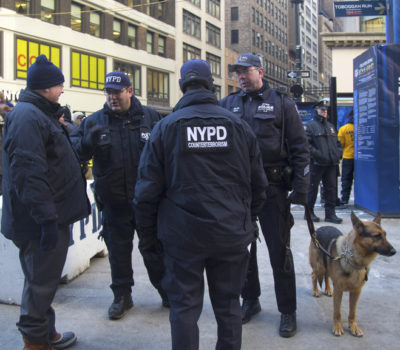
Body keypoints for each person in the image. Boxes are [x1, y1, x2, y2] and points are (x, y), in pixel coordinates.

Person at [134, 59, 268, 350]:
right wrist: (246, 220)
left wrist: (148, 237)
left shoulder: (165, 127)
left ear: (182, 86)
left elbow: (146, 192)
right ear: (211, 85)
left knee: (183, 308)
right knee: (229, 305)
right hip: (230, 233)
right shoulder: (239, 127)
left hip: (182, 238)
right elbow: (259, 185)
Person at [1, 55, 90, 350]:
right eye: (59, 84)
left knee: (42, 280)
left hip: (45, 217)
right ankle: (34, 342)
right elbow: (29, 175)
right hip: (39, 222)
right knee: (40, 283)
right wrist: (47, 220)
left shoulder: (39, 113)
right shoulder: (28, 117)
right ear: (46, 87)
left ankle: (44, 333)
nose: (62, 88)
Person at [219, 53, 310, 337]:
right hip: (238, 189)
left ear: (260, 71)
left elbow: (300, 149)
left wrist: (302, 189)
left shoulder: (283, 103)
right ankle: (251, 300)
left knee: (278, 251)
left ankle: (287, 311)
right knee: (242, 250)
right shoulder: (227, 104)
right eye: (237, 73)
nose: (241, 77)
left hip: (273, 188)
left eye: (246, 72)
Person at [70, 71, 166, 320]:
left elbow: (166, 155)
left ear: (130, 91)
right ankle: (122, 296)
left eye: (118, 92)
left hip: (146, 202)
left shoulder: (150, 117)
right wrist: (86, 144)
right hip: (114, 202)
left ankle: (167, 291)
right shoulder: (94, 122)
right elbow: (73, 155)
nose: (113, 97)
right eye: (109, 92)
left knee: (154, 250)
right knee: (118, 252)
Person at [304, 100, 343, 223]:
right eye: (322, 110)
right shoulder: (310, 126)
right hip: (317, 163)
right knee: (312, 188)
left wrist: (338, 153)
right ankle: (309, 212)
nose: (324, 112)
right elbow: (306, 144)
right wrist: (318, 155)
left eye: (325, 110)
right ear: (316, 111)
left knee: (331, 189)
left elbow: (337, 143)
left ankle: (330, 214)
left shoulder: (331, 126)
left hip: (331, 163)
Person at [337, 109, 354, 205]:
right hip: (361, 158)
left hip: (347, 157)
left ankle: (344, 198)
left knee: (346, 179)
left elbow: (340, 144)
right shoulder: (360, 127)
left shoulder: (344, 129)